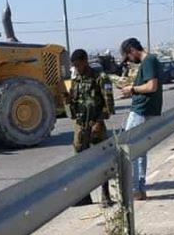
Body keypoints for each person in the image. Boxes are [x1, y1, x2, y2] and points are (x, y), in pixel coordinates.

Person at [68, 49, 115, 207]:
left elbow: (109, 105)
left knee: (101, 159)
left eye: (79, 65)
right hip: (80, 125)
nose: (77, 69)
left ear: (85, 61)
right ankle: (85, 195)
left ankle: (105, 195)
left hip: (96, 124)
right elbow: (73, 103)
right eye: (74, 66)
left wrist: (99, 122)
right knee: (81, 161)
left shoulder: (100, 78)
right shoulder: (76, 80)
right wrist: (67, 100)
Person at [119, 37, 163, 200]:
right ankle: (138, 189)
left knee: (129, 149)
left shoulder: (148, 61)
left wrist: (132, 89)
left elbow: (152, 86)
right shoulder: (151, 61)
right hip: (145, 110)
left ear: (132, 50)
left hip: (141, 111)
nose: (130, 61)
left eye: (128, 57)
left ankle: (135, 188)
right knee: (139, 150)